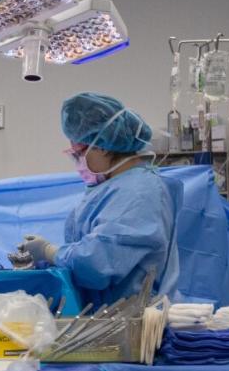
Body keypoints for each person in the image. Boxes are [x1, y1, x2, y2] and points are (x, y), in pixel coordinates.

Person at [10, 92, 180, 308]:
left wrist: (50, 252)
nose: (77, 161)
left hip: (135, 322)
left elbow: (97, 263)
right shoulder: (113, 187)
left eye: (78, 152)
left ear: (102, 146)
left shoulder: (138, 192)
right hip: (112, 317)